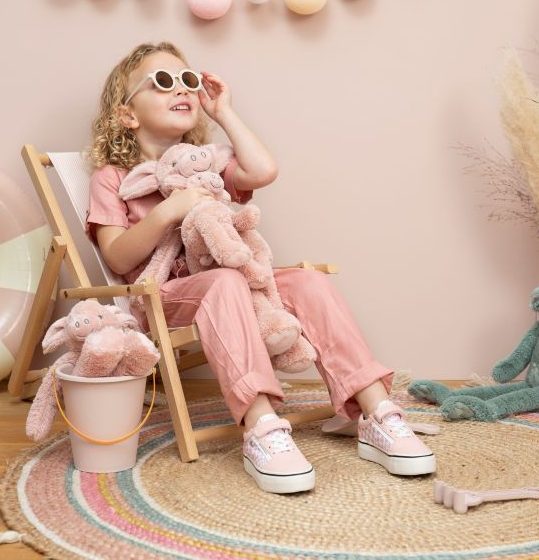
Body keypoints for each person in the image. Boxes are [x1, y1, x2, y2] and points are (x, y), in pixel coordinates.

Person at [84, 41, 435, 494]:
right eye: (164, 82)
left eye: (188, 80)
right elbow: (115, 256)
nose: (182, 89)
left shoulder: (206, 166)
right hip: (163, 298)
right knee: (226, 280)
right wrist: (170, 210)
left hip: (237, 285)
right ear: (127, 114)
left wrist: (223, 111)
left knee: (307, 281)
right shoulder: (111, 178)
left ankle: (377, 413)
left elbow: (263, 169)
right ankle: (263, 427)